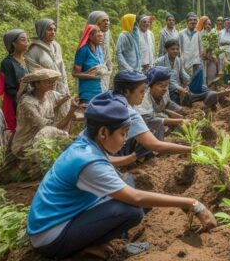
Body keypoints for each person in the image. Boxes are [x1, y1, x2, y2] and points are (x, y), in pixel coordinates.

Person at [26, 93, 216, 259]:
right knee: (131, 211)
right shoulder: (89, 162)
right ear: (103, 132)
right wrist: (192, 203)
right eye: (123, 133)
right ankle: (81, 248)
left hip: (62, 216)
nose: (126, 139)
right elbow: (136, 198)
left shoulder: (86, 139)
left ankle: (91, 240)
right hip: (51, 236)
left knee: (129, 182)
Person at [106, 71, 192, 165]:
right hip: (105, 160)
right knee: (150, 134)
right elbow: (155, 145)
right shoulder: (127, 112)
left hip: (96, 153)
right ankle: (129, 161)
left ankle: (133, 159)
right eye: (141, 91)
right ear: (126, 91)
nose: (144, 94)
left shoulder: (108, 98)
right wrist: (191, 149)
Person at [11, 69, 78, 160]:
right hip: (25, 144)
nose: (53, 83)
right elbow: (51, 127)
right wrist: (72, 110)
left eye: (53, 81)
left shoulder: (51, 94)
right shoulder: (27, 103)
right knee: (49, 130)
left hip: (44, 136)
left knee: (65, 104)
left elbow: (65, 101)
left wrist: (71, 101)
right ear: (37, 84)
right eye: (48, 81)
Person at [155, 39, 218, 109]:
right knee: (176, 102)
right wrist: (179, 88)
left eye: (177, 49)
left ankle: (202, 107)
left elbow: (183, 74)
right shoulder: (159, 62)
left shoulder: (178, 60)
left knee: (212, 94)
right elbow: (164, 80)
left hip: (182, 91)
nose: (175, 51)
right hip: (168, 92)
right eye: (172, 49)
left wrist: (189, 81)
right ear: (166, 50)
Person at [135, 66, 188, 140]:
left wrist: (181, 110)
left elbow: (168, 102)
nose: (165, 89)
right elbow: (149, 120)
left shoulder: (165, 91)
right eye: (161, 85)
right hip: (143, 125)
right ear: (151, 86)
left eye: (166, 85)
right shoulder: (144, 97)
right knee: (163, 128)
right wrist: (179, 120)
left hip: (157, 116)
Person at [26, 18, 69, 95]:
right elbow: (33, 73)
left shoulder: (56, 46)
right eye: (49, 30)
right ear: (42, 31)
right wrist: (48, 73)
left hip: (61, 88)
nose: (53, 32)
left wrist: (66, 88)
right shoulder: (34, 50)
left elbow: (62, 69)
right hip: (45, 91)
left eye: (54, 30)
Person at [0, 29, 28, 134]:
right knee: (17, 133)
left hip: (27, 100)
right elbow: (9, 89)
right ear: (13, 43)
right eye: (23, 40)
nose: (26, 43)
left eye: (27, 40)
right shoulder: (7, 63)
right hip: (13, 103)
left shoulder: (26, 60)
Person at [73, 24, 107, 104]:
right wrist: (90, 76)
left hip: (100, 90)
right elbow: (75, 73)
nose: (101, 37)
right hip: (88, 93)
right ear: (90, 37)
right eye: (98, 36)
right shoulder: (83, 50)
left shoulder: (99, 49)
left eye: (101, 35)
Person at [87, 11, 113, 90]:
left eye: (107, 20)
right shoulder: (87, 41)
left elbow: (107, 55)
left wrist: (108, 69)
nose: (106, 23)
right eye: (103, 21)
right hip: (91, 77)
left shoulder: (107, 34)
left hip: (105, 73)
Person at [197, 16, 220, 85]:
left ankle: (211, 92)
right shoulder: (199, 34)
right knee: (202, 77)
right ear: (203, 25)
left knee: (211, 77)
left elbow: (217, 47)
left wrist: (212, 56)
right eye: (206, 24)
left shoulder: (214, 34)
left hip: (212, 59)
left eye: (209, 24)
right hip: (201, 59)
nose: (207, 26)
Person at [179, 12, 202, 77]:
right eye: (191, 20)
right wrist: (181, 59)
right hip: (185, 61)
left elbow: (201, 48)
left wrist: (200, 58)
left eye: (195, 20)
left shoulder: (198, 33)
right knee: (186, 80)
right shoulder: (181, 33)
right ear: (187, 22)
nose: (193, 21)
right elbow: (179, 48)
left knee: (195, 80)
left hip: (196, 62)